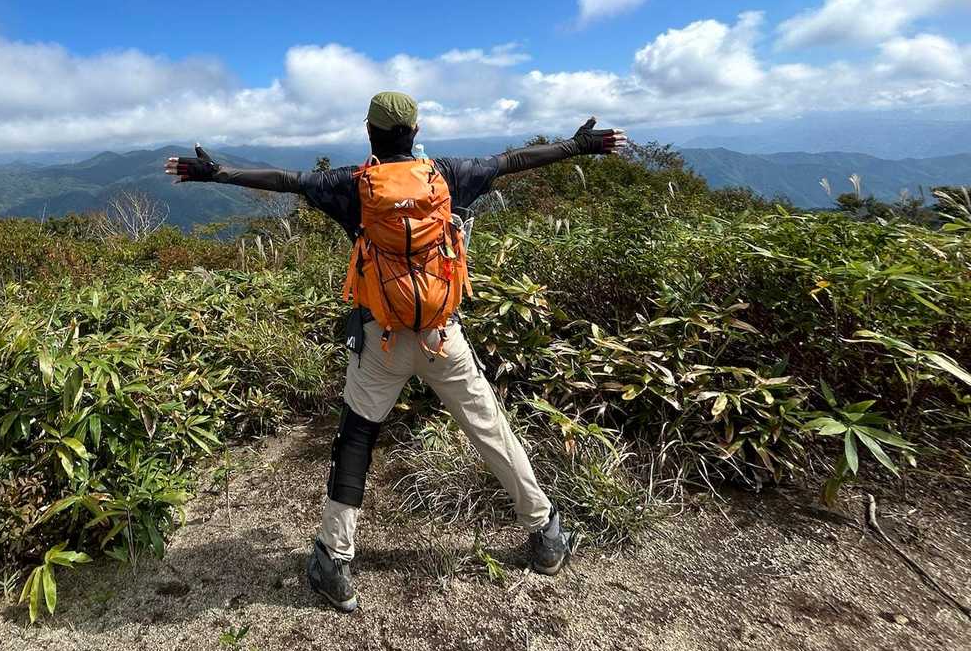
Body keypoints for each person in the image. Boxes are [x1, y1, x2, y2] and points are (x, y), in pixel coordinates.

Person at [165, 91, 627, 613]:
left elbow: (285, 180)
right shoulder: (449, 174)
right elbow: (514, 161)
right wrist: (579, 146)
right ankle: (544, 531)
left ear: (369, 132)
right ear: (415, 130)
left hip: (381, 340)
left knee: (356, 439)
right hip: (442, 336)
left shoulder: (353, 184)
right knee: (490, 428)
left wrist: (217, 173)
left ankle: (334, 559)